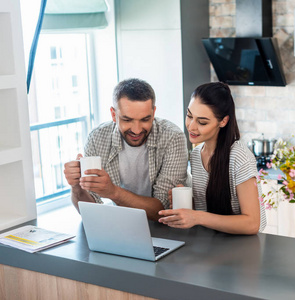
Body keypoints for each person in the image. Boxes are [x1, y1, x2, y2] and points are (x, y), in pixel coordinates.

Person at [63, 78, 188, 221]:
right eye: (127, 120)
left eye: (145, 119)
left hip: (164, 229)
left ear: (153, 113)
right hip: (120, 225)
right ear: (113, 114)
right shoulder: (97, 138)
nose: (136, 130)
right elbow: (91, 210)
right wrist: (76, 187)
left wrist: (113, 192)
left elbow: (163, 210)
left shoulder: (172, 137)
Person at [158, 82, 266, 234]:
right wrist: (188, 204)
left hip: (245, 246)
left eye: (202, 122)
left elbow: (252, 223)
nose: (191, 126)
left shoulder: (239, 156)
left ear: (223, 121)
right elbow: (209, 212)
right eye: (189, 116)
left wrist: (197, 217)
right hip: (213, 242)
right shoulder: (196, 154)